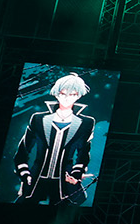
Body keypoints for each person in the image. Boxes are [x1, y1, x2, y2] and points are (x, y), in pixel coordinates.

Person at [14, 74, 97, 205]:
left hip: (64, 182)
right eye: (63, 93)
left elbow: (83, 153)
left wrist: (76, 174)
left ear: (78, 96)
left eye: (72, 94)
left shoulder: (86, 123)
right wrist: (24, 174)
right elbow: (23, 151)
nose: (67, 98)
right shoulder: (38, 119)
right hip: (35, 179)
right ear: (57, 94)